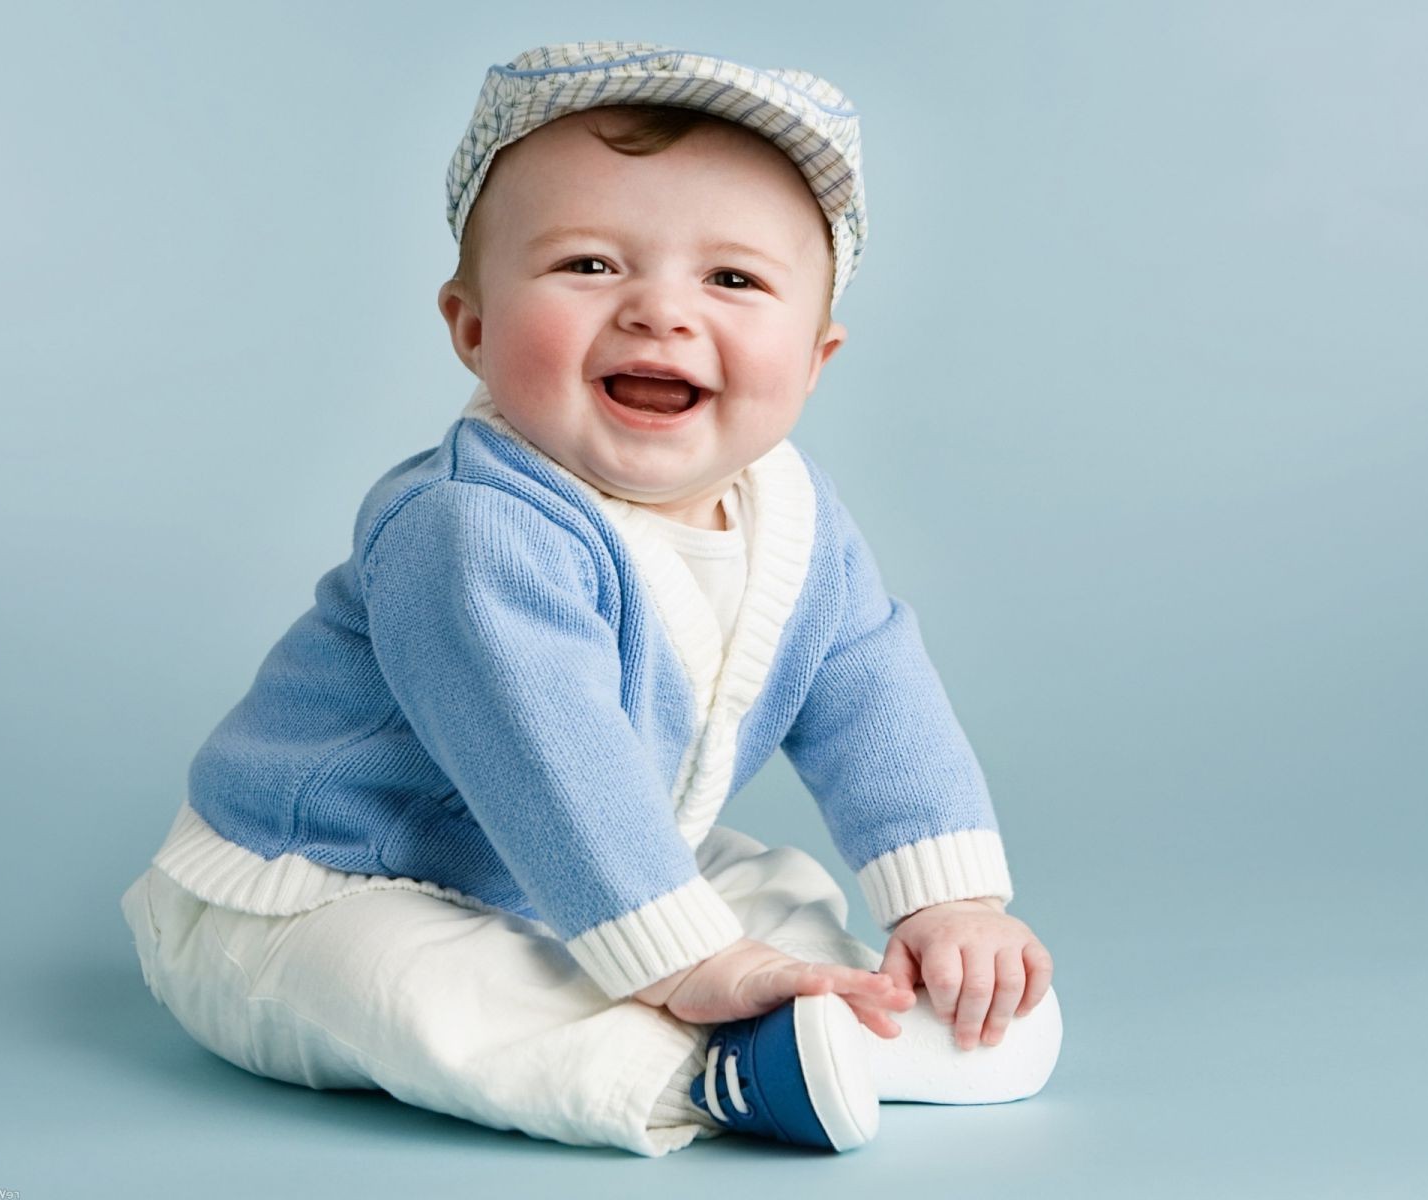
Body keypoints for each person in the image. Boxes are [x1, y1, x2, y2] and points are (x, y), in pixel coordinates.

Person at [118, 40, 1061, 1158]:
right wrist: (691, 962)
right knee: (406, 988)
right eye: (590, 267)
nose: (660, 312)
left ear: (815, 359)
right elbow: (548, 753)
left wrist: (946, 904)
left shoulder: (795, 519)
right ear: (471, 325)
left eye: (734, 279)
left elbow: (873, 693)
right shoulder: (470, 527)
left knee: (774, 881)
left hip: (577, 861)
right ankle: (707, 1069)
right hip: (316, 887)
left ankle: (861, 1010)